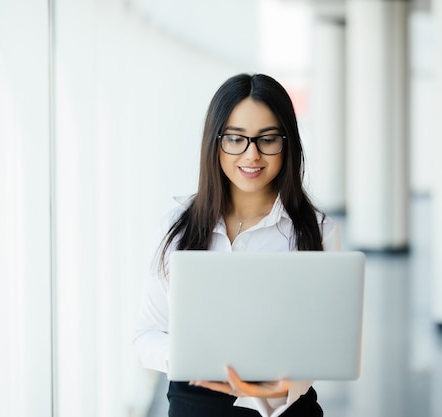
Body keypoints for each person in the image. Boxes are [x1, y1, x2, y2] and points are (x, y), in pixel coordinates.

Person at [133, 73, 340, 417]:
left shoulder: (316, 232)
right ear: (215, 143)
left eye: (268, 139)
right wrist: (194, 360)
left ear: (287, 143)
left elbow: (327, 344)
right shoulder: (176, 225)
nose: (252, 155)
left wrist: (285, 383)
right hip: (194, 405)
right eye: (235, 139)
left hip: (284, 409)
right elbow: (146, 338)